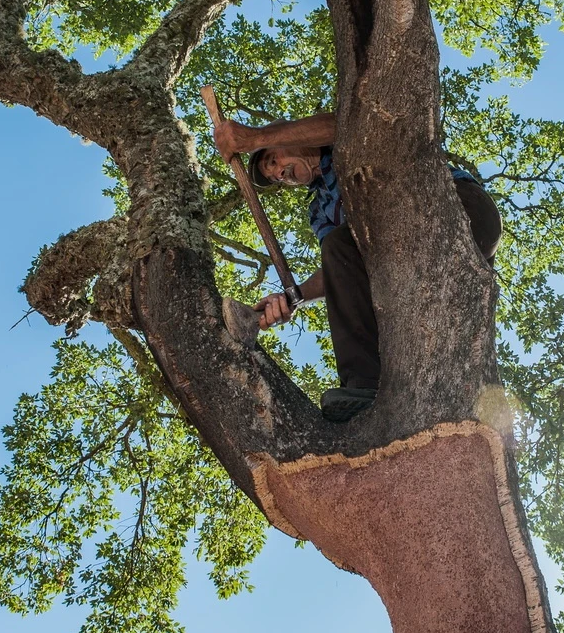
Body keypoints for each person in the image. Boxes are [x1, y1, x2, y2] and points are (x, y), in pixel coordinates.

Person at [213, 113, 502, 422]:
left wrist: (255, 138)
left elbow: (342, 124)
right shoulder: (319, 210)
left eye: (272, 160)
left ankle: (367, 382)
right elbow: (340, 267)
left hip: (456, 212)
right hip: (400, 260)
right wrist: (293, 297)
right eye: (272, 178)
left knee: (345, 240)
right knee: (340, 247)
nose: (276, 174)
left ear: (289, 135)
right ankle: (365, 390)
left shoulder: (344, 142)